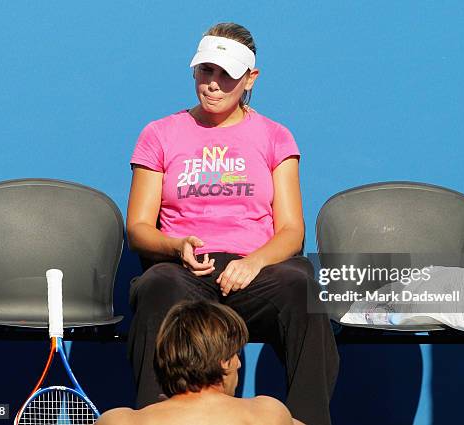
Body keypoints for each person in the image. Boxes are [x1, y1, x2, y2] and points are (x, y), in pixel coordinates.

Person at [126, 22, 339, 425]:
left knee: (301, 286)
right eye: (206, 71)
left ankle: (308, 420)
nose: (213, 84)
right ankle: (154, 418)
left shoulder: (275, 137)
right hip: (187, 271)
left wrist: (254, 262)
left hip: (256, 272)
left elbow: (292, 231)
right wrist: (176, 247)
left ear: (250, 78)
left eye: (226, 74)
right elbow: (138, 227)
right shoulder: (159, 134)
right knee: (157, 285)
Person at [98, 300, 305, 425]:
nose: (239, 364)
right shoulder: (266, 414)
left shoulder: (119, 421)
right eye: (235, 354)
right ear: (223, 361)